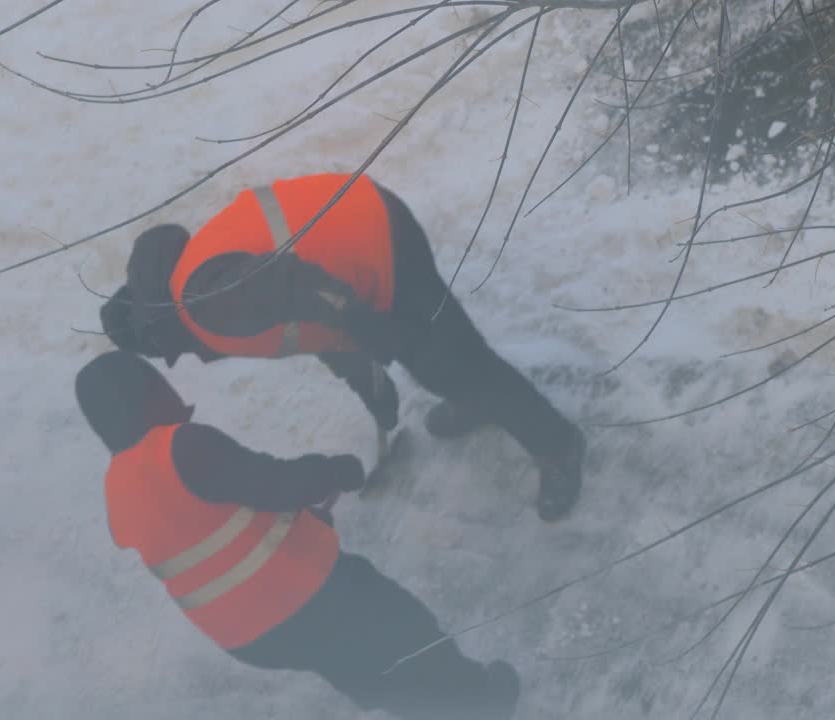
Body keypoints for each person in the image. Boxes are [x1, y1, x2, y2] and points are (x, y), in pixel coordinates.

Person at [98, 172, 585, 522]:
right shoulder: (195, 283)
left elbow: (298, 286)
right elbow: (297, 319)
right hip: (360, 219)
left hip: (374, 238)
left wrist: (365, 323)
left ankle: (558, 445)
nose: (177, 359)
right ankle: (473, 399)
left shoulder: (203, 302)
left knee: (452, 361)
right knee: (434, 359)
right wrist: (368, 379)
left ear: (156, 335)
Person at [74, 350, 519, 720]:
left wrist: (303, 524)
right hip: (305, 598)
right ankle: (483, 700)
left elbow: (209, 531)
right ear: (147, 393)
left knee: (354, 665)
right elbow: (273, 484)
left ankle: (415, 707)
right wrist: (332, 470)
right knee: (406, 629)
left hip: (250, 639)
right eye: (158, 381)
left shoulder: (119, 491)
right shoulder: (180, 446)